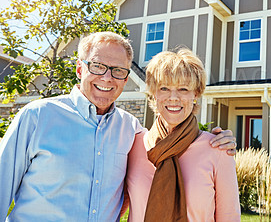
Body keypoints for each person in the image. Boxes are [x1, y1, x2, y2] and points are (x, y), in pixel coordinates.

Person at [0, 32, 236, 221]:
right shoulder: (38, 116)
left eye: (118, 71)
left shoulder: (131, 131)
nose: (107, 78)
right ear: (80, 69)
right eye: (97, 66)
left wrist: (223, 139)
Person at [125, 48, 241, 221]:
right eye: (164, 88)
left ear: (195, 94)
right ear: (154, 93)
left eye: (183, 89)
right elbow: (113, 206)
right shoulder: (134, 144)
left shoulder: (217, 149)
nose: (173, 97)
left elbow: (229, 217)